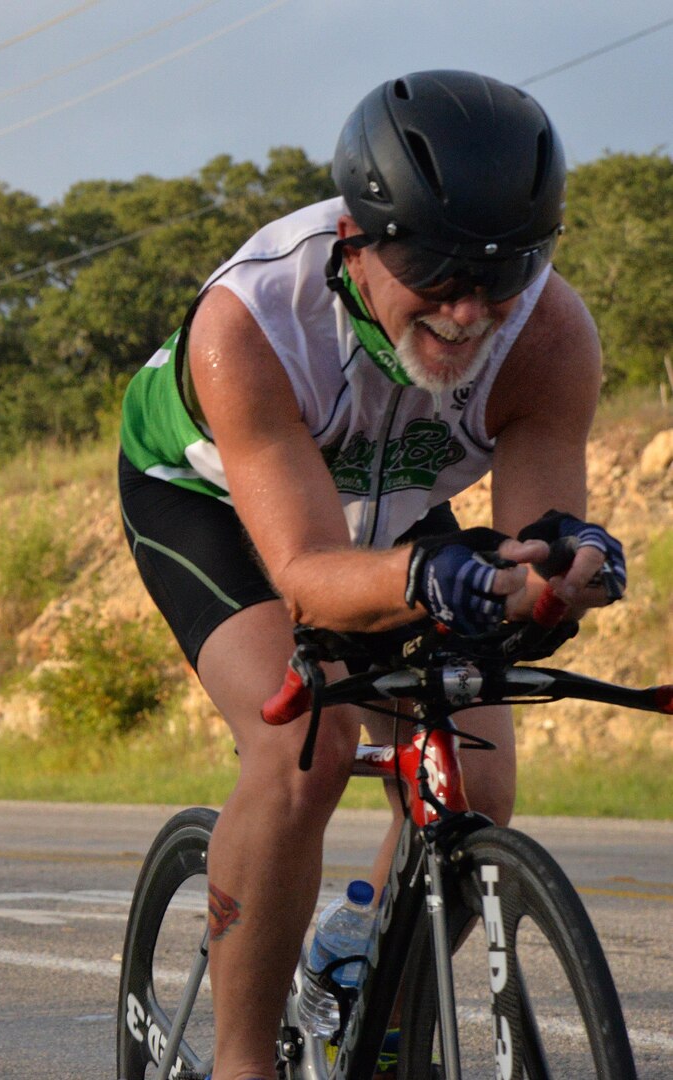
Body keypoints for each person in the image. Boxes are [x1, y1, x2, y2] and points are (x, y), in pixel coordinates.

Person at [116, 70, 626, 1080]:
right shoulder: (250, 320)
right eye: (436, 272)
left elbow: (528, 544)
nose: (467, 310)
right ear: (358, 237)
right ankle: (240, 1064)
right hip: (213, 500)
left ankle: (368, 999)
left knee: (474, 782)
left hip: (392, 512)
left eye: (504, 273)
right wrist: (436, 578)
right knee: (305, 745)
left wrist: (555, 580)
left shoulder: (548, 337)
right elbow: (305, 579)